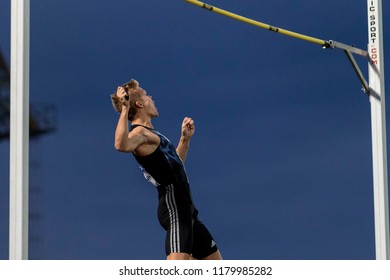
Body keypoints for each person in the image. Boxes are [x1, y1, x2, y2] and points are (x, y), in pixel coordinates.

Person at [111, 79, 222, 260]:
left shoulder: (154, 135)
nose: (151, 97)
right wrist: (124, 108)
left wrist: (184, 140)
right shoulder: (140, 133)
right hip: (175, 210)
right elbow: (120, 144)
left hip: (189, 214)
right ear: (139, 103)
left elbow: (175, 166)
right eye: (146, 95)